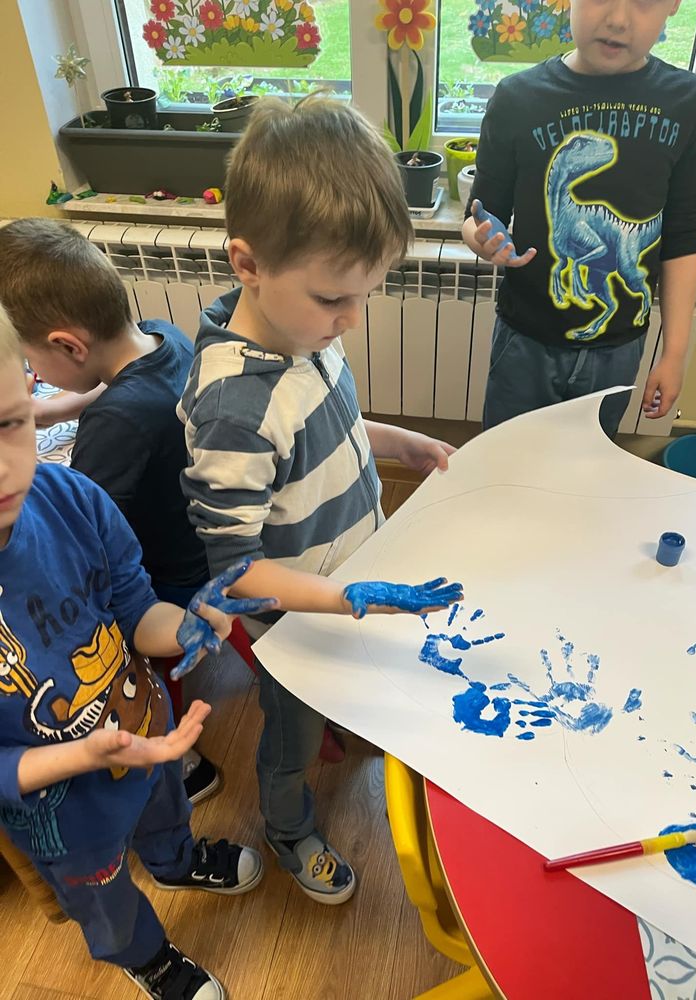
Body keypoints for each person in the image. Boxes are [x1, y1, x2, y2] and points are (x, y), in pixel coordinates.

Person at [177, 94, 463, 905]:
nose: (354, 321)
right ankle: (289, 828)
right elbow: (235, 573)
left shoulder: (302, 333)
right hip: (296, 622)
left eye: (366, 294)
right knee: (292, 740)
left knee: (344, 695)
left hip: (343, 587)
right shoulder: (234, 409)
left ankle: (344, 718)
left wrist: (398, 441)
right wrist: (344, 600)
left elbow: (322, 425)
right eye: (335, 299)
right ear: (248, 264)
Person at [0, 307, 278, 1000]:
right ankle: (145, 955)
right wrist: (83, 756)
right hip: (62, 807)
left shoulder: (72, 498)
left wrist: (186, 626)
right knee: (102, 894)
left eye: (8, 423)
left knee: (165, 812)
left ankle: (175, 860)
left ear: (30, 392)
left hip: (148, 734)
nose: (3, 467)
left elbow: (135, 608)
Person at [0, 218, 220, 804]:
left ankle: (179, 757)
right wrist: (51, 411)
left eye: (31, 367)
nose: (36, 382)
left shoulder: (114, 424)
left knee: (91, 625)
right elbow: (119, 388)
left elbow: (78, 535)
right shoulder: (165, 336)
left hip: (171, 577)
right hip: (202, 536)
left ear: (69, 346)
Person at [462, 0, 696, 438]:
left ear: (673, 5)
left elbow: (683, 235)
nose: (617, 19)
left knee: (589, 465)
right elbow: (481, 214)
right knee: (506, 460)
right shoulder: (517, 98)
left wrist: (674, 354)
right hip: (525, 341)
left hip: (618, 352)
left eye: (644, 2)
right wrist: (482, 237)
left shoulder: (687, 101)